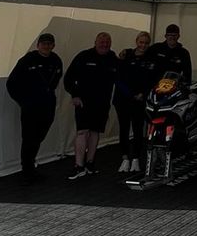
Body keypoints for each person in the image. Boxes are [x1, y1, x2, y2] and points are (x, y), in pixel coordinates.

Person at [5, 32, 63, 179]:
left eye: (49, 43)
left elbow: (56, 79)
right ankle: (26, 170)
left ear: (53, 45)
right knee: (29, 138)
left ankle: (31, 166)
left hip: (47, 106)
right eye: (43, 43)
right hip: (31, 107)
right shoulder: (28, 60)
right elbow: (11, 83)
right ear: (38, 45)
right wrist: (23, 101)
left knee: (39, 136)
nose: (46, 46)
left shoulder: (56, 60)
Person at [62, 31, 118, 179]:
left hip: (102, 103)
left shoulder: (113, 58)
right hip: (83, 102)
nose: (104, 44)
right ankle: (78, 166)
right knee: (82, 132)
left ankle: (90, 163)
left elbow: (121, 78)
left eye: (107, 42)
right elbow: (68, 78)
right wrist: (75, 95)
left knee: (95, 132)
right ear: (95, 42)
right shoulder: (84, 56)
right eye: (101, 41)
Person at [115, 31, 158, 173]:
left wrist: (143, 94)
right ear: (136, 41)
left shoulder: (151, 59)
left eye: (146, 43)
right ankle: (125, 158)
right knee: (124, 129)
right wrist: (131, 94)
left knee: (138, 129)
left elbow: (153, 80)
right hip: (123, 99)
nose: (143, 45)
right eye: (141, 42)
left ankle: (136, 159)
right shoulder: (126, 55)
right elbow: (119, 78)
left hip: (140, 100)